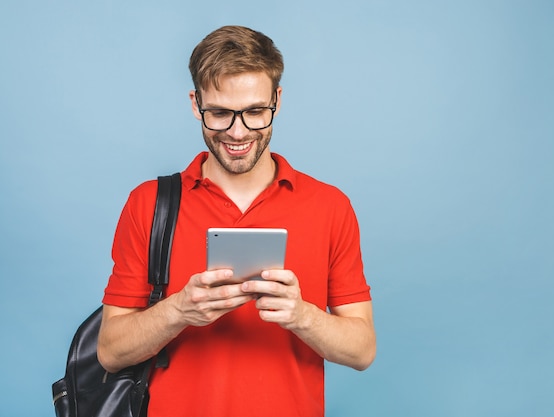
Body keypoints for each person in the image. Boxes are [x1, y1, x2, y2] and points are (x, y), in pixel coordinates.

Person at [97, 25, 376, 417]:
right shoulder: (148, 205)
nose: (238, 131)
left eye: (256, 112)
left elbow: (363, 350)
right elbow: (110, 352)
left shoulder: (330, 206)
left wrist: (303, 316)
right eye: (220, 113)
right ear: (196, 104)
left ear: (277, 100)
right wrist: (178, 311)